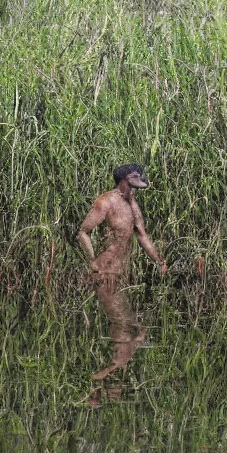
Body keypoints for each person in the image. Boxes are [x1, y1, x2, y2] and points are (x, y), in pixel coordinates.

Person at [76, 164, 166, 401]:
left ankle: (109, 374)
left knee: (129, 327)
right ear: (123, 181)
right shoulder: (106, 201)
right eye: (134, 178)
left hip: (120, 275)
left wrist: (159, 261)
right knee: (125, 324)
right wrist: (93, 261)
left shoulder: (133, 204)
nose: (138, 181)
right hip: (106, 274)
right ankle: (100, 378)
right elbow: (83, 232)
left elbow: (142, 236)